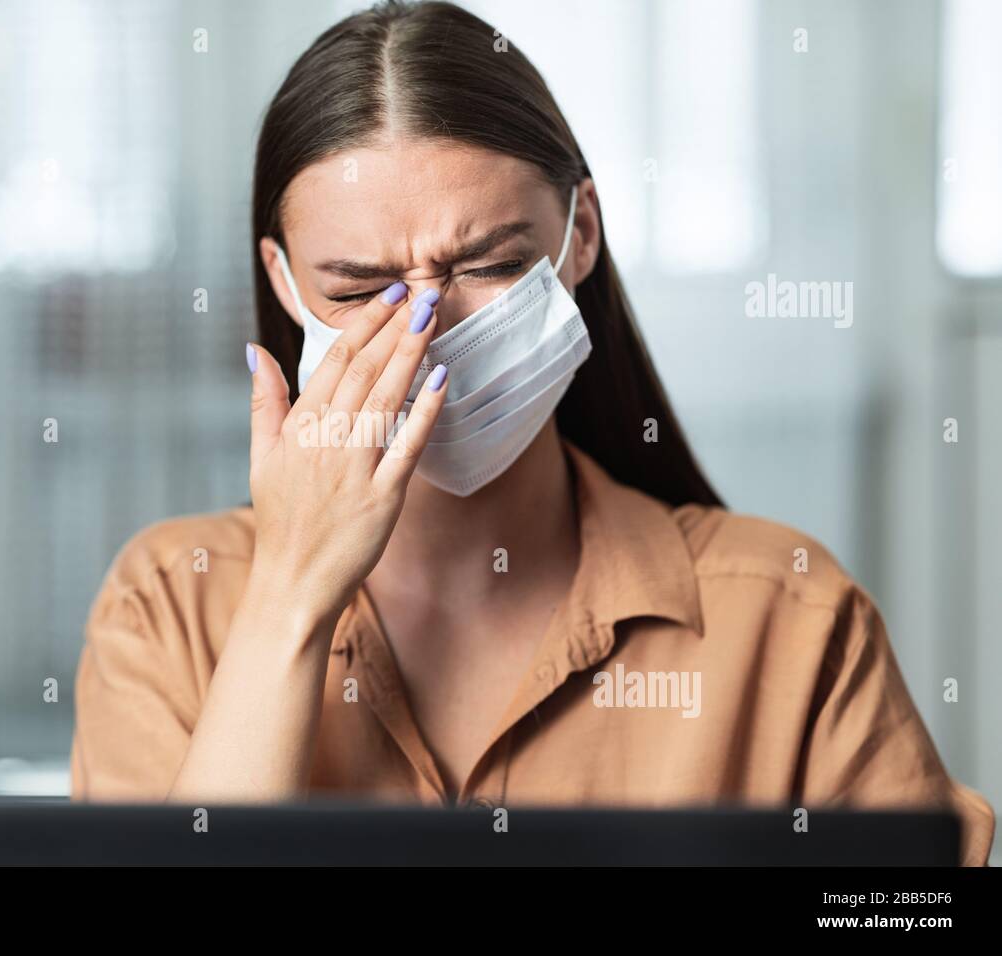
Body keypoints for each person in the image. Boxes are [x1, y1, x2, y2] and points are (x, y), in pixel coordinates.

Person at [70, 0, 994, 865]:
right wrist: (289, 597)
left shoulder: (791, 619)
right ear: (282, 283)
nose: (428, 330)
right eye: (358, 291)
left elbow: (905, 913)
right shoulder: (166, 605)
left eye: (493, 265)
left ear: (579, 234)